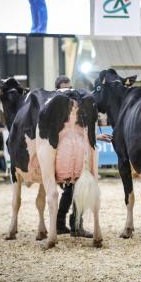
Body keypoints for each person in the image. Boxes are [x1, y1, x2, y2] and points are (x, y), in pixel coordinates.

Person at [54, 76, 112, 237]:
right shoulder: (57, 109)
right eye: (65, 88)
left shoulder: (75, 108)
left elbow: (82, 132)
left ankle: (66, 224)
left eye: (70, 88)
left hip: (77, 152)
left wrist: (96, 137)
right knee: (70, 190)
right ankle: (72, 225)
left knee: (72, 190)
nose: (69, 91)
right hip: (65, 154)